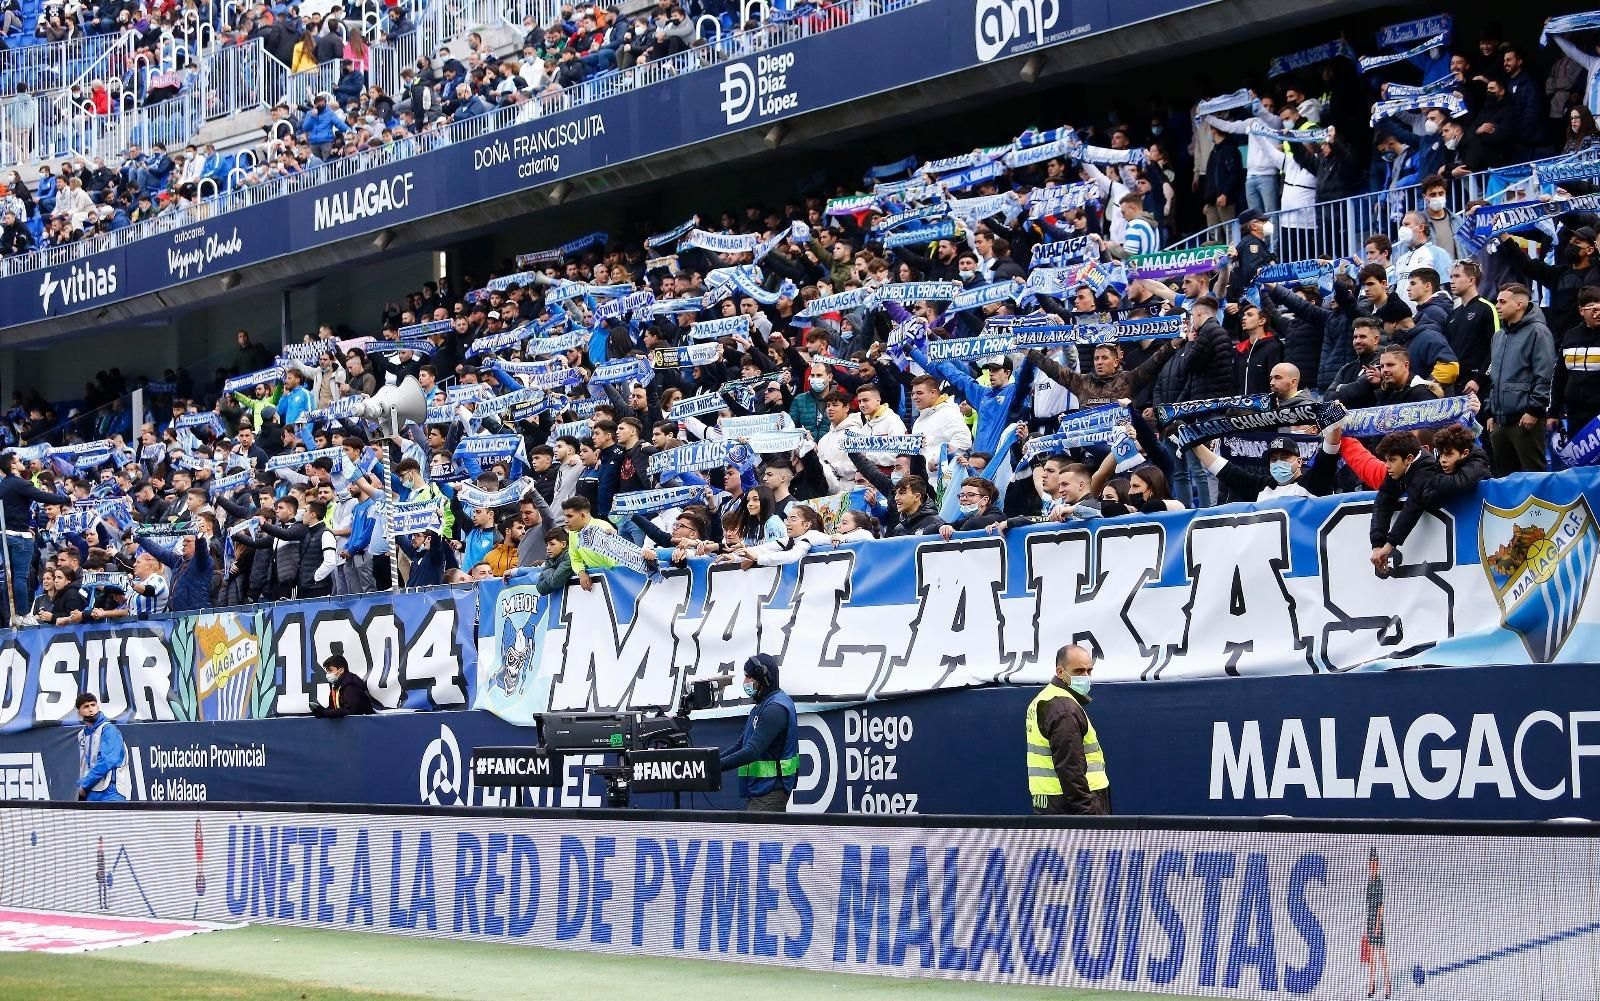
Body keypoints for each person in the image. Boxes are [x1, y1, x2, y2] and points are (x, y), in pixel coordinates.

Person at [1024, 643, 1110, 816]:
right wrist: (1088, 814)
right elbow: (1070, 767)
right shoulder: (1063, 707)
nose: (1085, 676)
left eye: (1089, 671)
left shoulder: (1045, 698)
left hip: (1051, 802)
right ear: (1060, 672)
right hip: (1073, 807)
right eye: (1078, 671)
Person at [1488, 283, 1557, 475]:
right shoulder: (1498, 336)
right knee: (1505, 479)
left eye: (1502, 301)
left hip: (1526, 420)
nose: (1497, 305)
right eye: (1497, 301)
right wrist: (1491, 412)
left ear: (1519, 304)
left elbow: (1545, 374)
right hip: (1500, 421)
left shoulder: (1538, 331)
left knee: (1534, 477)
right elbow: (1494, 376)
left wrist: (1534, 410)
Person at [717, 653, 798, 812]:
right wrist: (710, 761)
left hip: (770, 791)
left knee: (752, 835)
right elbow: (741, 745)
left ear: (764, 679)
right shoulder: (761, 706)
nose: (745, 682)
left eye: (749, 677)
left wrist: (715, 766)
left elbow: (752, 751)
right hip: (761, 790)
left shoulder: (775, 709)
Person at [0, 451, 72, 621]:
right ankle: (23, 614)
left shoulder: (2, 485)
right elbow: (43, 496)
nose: (22, 462)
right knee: (20, 576)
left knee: (8, 576)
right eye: (19, 460)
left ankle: (10, 615)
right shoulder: (19, 483)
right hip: (19, 536)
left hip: (4, 536)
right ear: (12, 465)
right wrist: (66, 498)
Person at [76, 692, 130, 802]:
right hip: (91, 792)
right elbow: (82, 766)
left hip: (111, 792)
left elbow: (107, 760)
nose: (91, 709)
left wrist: (85, 783)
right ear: (79, 713)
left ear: (98, 707)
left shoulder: (108, 729)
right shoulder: (81, 735)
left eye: (93, 705)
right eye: (86, 707)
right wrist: (80, 785)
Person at [310, 654, 375, 718]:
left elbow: (349, 710)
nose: (328, 674)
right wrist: (322, 711)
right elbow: (334, 707)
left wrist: (324, 713)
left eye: (330, 670)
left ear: (341, 670)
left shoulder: (351, 685)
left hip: (363, 724)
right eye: (327, 671)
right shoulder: (336, 684)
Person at [1364, 849, 1391, 999]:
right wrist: (1369, 925)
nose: (1372, 866)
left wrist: (1377, 925)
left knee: (1381, 956)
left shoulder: (1378, 882)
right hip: (1370, 921)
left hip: (1377, 923)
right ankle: (1371, 984)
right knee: (1372, 957)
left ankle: (1387, 985)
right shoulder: (1369, 881)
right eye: (1370, 863)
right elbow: (1369, 906)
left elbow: (1380, 906)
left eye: (1374, 863)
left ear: (1378, 864)